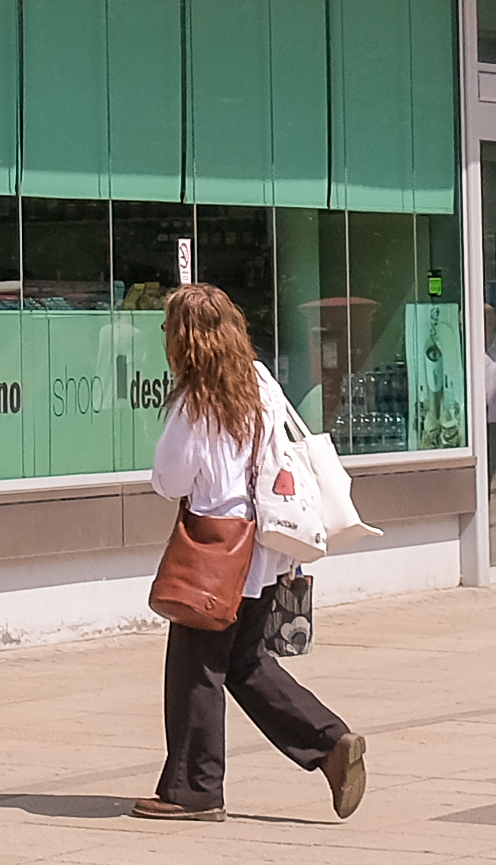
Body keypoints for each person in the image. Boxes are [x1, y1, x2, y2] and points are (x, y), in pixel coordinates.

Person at [141, 283, 359, 821]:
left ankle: (195, 791)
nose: (165, 336)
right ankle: (330, 743)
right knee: (244, 662)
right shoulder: (260, 380)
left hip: (214, 551)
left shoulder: (195, 400)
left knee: (195, 670)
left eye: (169, 328)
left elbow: (170, 479)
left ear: (187, 341)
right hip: (266, 545)